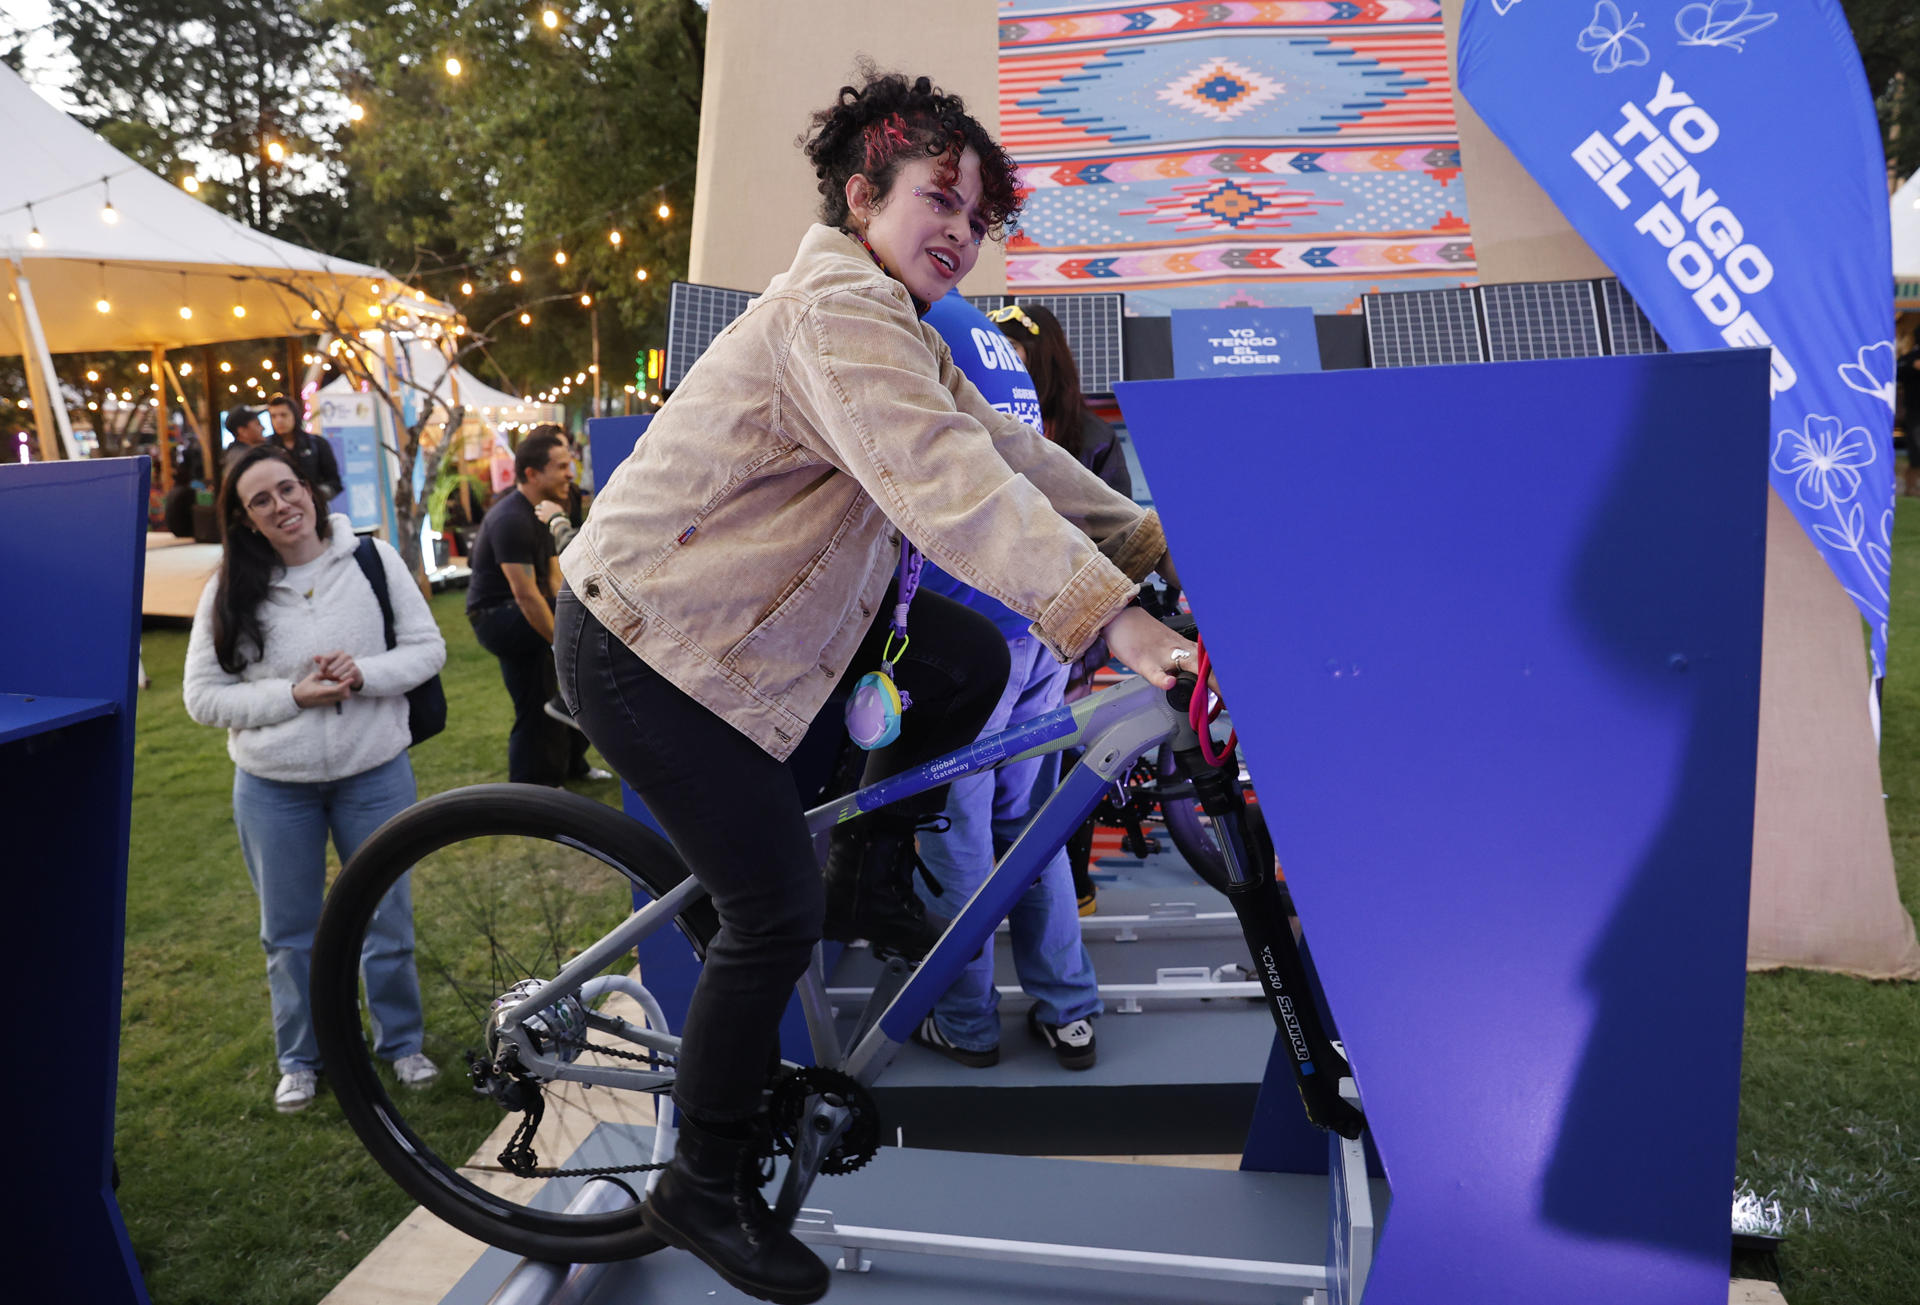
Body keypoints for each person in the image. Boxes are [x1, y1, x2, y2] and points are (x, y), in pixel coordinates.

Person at [553, 69, 1191, 1304]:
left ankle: (874, 861)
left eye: (975, 213)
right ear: (862, 196)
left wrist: (1152, 544)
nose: (959, 229)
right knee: (768, 916)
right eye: (936, 199)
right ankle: (703, 1181)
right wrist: (1114, 619)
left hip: (743, 634)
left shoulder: (894, 320)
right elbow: (942, 482)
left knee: (965, 659)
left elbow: (1005, 447)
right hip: (644, 644)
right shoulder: (835, 312)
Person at [182, 443, 446, 1113]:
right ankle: (303, 1056)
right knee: (289, 931)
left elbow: (427, 649)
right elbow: (203, 697)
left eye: (287, 488)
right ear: (245, 520)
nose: (281, 505)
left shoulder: (371, 560)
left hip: (374, 770)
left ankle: (401, 1042)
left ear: (310, 489)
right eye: (260, 500)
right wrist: (290, 697)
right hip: (275, 785)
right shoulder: (228, 588)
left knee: (388, 916)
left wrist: (364, 673)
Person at [910, 289, 1102, 1071]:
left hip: (968, 633)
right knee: (1027, 828)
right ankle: (1069, 1008)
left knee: (955, 835)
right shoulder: (984, 331)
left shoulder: (909, 320)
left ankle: (965, 1020)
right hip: (1035, 619)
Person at [992, 301, 1136, 914]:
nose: (1004, 373)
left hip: (1069, 633)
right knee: (998, 790)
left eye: (1016, 360)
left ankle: (1073, 890)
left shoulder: (1091, 441)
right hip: (998, 629)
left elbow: (1121, 546)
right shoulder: (988, 428)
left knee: (1059, 774)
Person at [467, 425, 605, 785]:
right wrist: (562, 643)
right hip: (498, 616)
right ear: (532, 473)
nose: (570, 472)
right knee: (537, 699)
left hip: (528, 605)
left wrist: (573, 631)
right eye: (560, 466)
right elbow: (525, 594)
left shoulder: (548, 508)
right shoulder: (510, 519)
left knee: (576, 683)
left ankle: (574, 766)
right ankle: (535, 788)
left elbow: (554, 578)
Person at [266, 392, 344, 501]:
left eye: (284, 415)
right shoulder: (266, 448)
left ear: (295, 415)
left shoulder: (317, 443)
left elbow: (335, 483)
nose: (279, 420)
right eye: (273, 416)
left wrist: (315, 495)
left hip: (314, 507)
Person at [219, 405, 267, 484]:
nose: (263, 428)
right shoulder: (244, 459)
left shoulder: (239, 454)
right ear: (242, 431)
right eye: (258, 424)